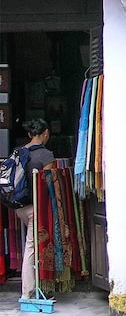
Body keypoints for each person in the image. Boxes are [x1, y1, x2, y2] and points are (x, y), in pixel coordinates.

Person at [15, 118, 57, 300]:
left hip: (19, 207)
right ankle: (27, 293)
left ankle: (36, 286)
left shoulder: (18, 152)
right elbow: (50, 185)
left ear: (29, 134)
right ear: (45, 133)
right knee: (32, 247)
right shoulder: (46, 156)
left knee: (31, 244)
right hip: (35, 207)